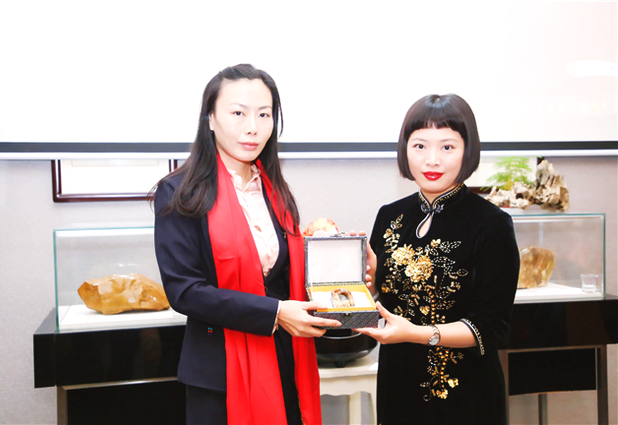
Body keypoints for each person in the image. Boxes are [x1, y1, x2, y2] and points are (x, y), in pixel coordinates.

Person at [153, 64, 340, 425]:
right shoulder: (178, 193)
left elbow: (282, 275)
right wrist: (275, 312)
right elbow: (185, 292)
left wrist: (338, 265)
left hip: (283, 358)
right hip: (218, 374)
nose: (253, 126)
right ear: (210, 118)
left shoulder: (274, 188)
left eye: (264, 114)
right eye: (238, 113)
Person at [355, 94, 520, 424]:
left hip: (466, 395)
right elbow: (380, 299)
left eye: (447, 147)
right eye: (420, 146)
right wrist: (365, 284)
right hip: (398, 385)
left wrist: (416, 333)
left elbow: (490, 327)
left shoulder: (492, 224)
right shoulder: (390, 216)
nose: (432, 160)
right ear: (405, 150)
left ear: (467, 151)